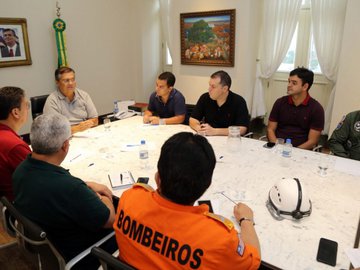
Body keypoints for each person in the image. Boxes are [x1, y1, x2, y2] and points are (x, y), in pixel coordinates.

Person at [113, 132, 261, 269]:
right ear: (206, 186)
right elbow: (253, 261)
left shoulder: (129, 198)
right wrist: (246, 220)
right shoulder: (219, 239)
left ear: (157, 178)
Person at [13, 113, 116, 269]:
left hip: (49, 248)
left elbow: (56, 188)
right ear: (65, 145)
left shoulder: (20, 171)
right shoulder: (70, 189)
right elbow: (111, 220)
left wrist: (85, 185)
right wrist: (104, 197)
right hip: (83, 254)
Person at [267, 67, 324, 149]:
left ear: (305, 86)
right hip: (277, 147)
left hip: (301, 151)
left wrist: (293, 151)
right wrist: (277, 146)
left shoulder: (316, 108)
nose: (289, 85)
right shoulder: (280, 102)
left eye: (294, 83)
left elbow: (312, 141)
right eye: (289, 81)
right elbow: (270, 129)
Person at [189, 70, 249, 136]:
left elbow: (242, 129)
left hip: (230, 140)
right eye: (209, 85)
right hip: (209, 138)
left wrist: (215, 131)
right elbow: (193, 119)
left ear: (225, 89)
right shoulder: (205, 97)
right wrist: (200, 128)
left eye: (213, 87)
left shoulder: (239, 101)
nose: (209, 89)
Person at [43, 66, 98, 134]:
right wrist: (76, 129)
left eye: (73, 79)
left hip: (85, 133)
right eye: (66, 80)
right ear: (57, 82)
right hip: (64, 139)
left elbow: (95, 120)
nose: (71, 83)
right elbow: (54, 131)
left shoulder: (84, 95)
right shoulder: (52, 101)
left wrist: (87, 124)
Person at [0, 86, 31, 202]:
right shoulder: (15, 146)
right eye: (26, 105)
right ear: (16, 112)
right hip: (20, 206)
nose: (28, 109)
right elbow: (39, 179)